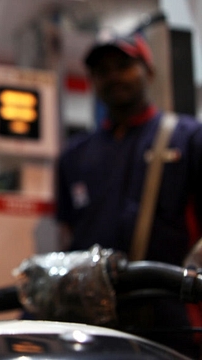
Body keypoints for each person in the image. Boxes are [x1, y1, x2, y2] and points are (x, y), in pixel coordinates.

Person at [55, 33, 202, 357]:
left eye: (124, 65)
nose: (114, 76)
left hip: (171, 321)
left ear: (148, 72)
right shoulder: (74, 156)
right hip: (92, 321)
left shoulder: (188, 138)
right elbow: (68, 236)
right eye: (103, 70)